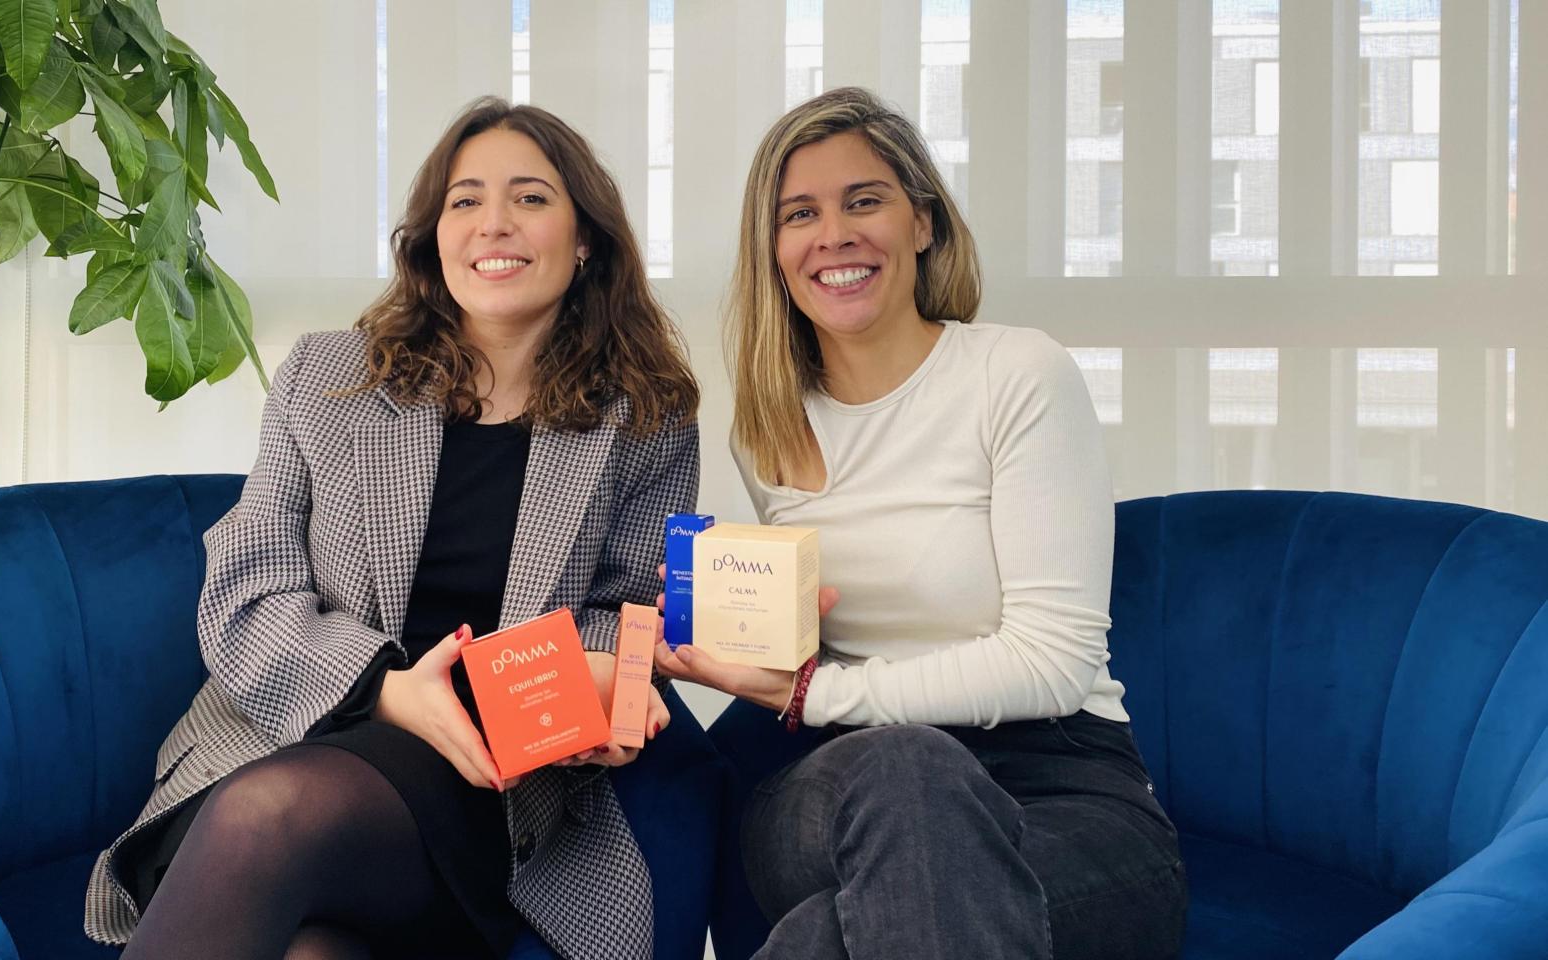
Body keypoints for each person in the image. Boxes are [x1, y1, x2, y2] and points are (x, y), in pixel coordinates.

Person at [83, 96, 699, 960]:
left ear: (586, 237)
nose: (493, 223)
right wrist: (385, 688)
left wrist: (598, 685)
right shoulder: (327, 377)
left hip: (482, 780)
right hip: (275, 741)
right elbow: (246, 588)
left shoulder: (645, 417)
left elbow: (626, 611)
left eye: (530, 198)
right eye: (464, 200)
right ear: (433, 237)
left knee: (270, 821)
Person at [655, 87, 1187, 959]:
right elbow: (806, 647)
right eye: (800, 214)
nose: (834, 234)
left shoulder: (1018, 374)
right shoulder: (768, 429)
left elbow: (1053, 664)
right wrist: (741, 642)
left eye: (864, 201)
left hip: (1063, 788)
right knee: (906, 765)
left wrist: (815, 695)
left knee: (828, 936)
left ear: (923, 223)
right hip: (841, 791)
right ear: (772, 251)